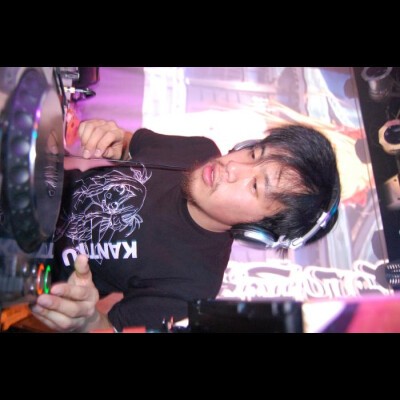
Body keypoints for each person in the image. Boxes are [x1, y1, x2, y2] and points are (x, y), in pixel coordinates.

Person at [31, 119, 341, 332]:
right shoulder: (198, 149)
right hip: (30, 184)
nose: (233, 165)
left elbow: (106, 328)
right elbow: (128, 143)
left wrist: (85, 321)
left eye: (256, 186)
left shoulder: (194, 286)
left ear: (257, 231)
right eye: (254, 153)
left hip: (26, 266)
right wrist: (111, 138)